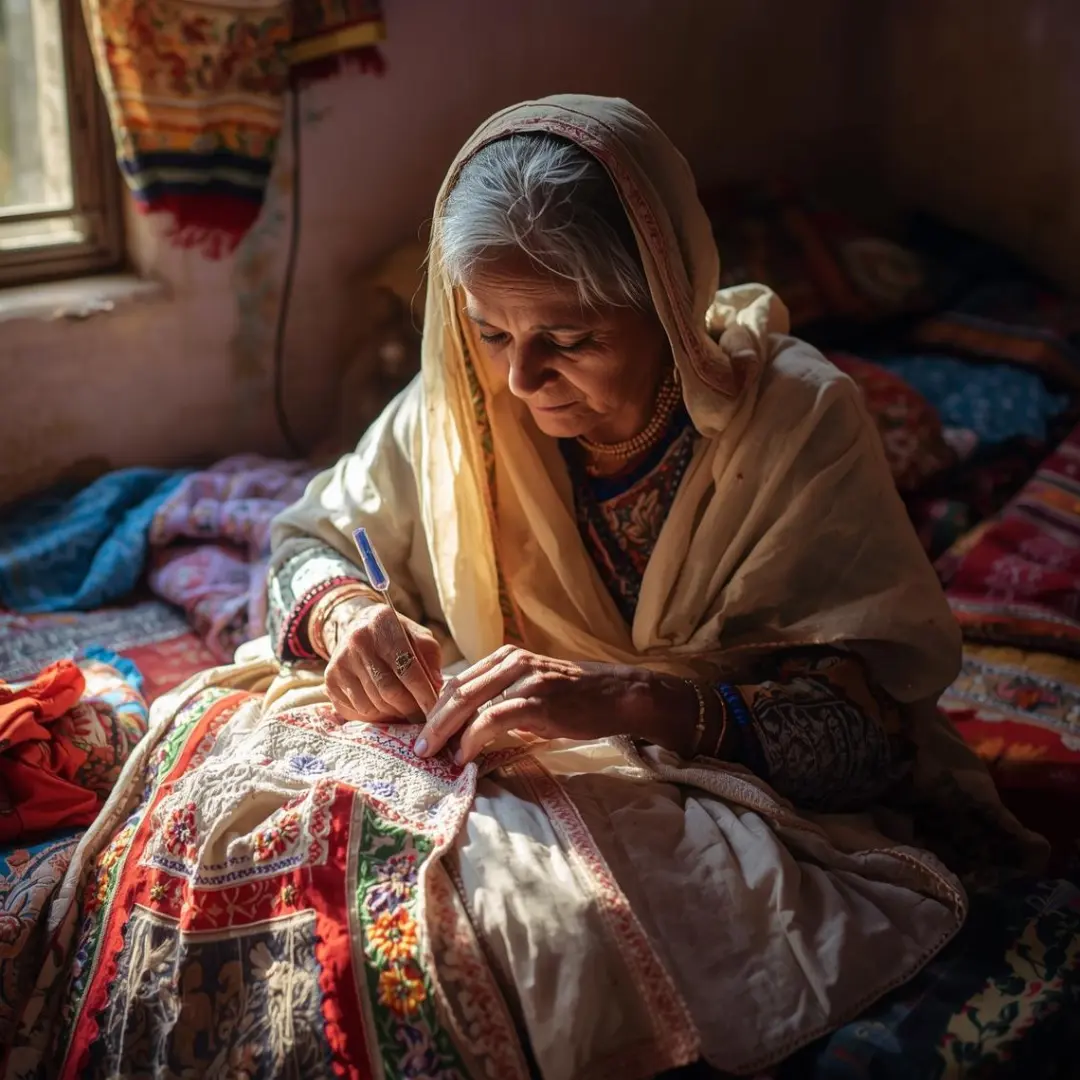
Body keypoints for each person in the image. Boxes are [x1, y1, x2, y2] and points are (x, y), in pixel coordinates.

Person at [13, 96, 1049, 1080]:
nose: (519, 380)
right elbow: (315, 536)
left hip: (704, 777)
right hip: (499, 749)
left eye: (573, 338)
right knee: (232, 813)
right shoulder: (464, 396)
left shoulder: (795, 425)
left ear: (671, 304)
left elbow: (865, 738)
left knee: (503, 939)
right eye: (492, 332)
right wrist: (347, 610)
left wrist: (626, 698)